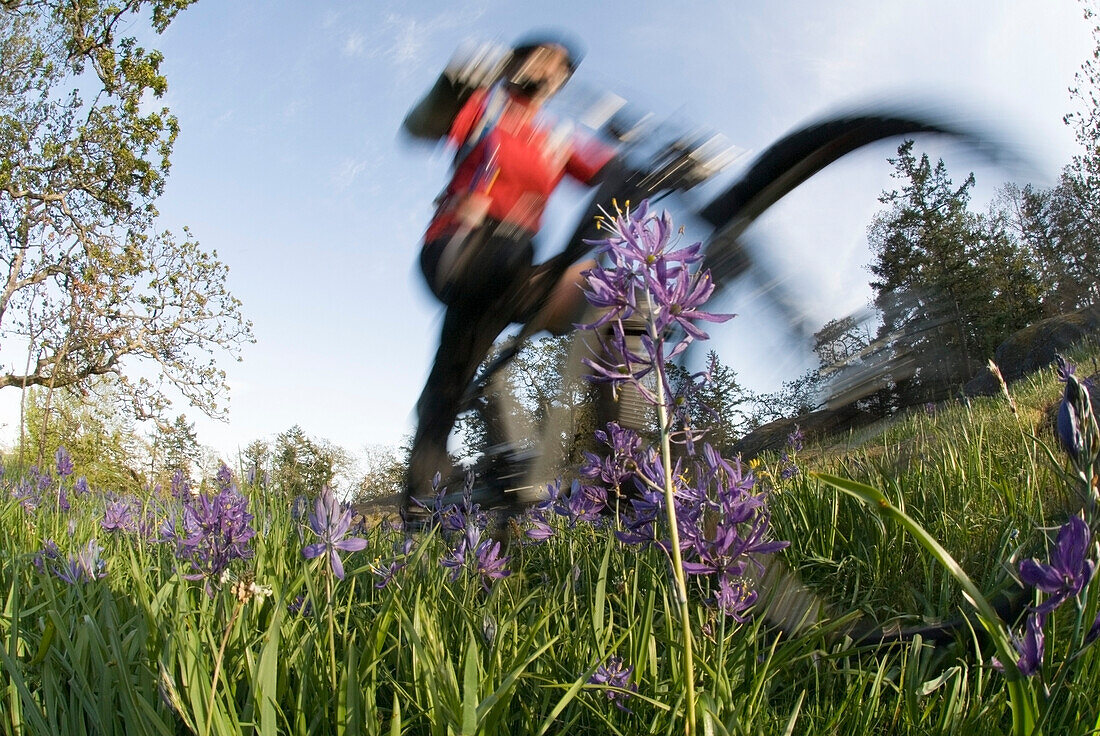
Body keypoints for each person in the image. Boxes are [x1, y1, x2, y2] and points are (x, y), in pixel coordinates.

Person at [400, 31, 617, 517]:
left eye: (560, 67)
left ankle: (618, 461)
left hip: (518, 270)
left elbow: (612, 169)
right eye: (540, 57)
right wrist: (449, 88)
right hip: (458, 250)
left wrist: (668, 162)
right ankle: (438, 433)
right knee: (510, 249)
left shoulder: (556, 140)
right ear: (513, 63)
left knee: (612, 296)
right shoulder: (483, 109)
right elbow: (421, 126)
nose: (549, 69)